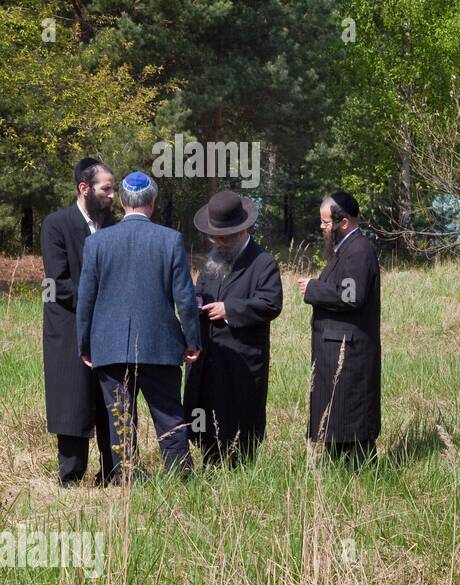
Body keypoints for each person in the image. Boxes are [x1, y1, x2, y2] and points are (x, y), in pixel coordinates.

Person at [77, 171, 201, 476]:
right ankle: (180, 477)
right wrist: (192, 340)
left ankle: (126, 477)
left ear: (120, 202)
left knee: (120, 418)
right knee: (169, 415)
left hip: (110, 345)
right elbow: (185, 299)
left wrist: (85, 345)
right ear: (153, 202)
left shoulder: (97, 243)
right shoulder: (170, 240)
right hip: (160, 345)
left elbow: (86, 300)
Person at [182, 191, 283, 467]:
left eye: (224, 238)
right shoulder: (214, 259)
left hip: (241, 360)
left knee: (240, 421)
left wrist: (229, 310)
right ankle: (210, 463)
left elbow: (271, 303)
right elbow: (200, 289)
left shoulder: (263, 262)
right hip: (209, 357)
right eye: (215, 237)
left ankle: (241, 473)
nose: (218, 243)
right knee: (204, 417)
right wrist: (197, 301)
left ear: (242, 231)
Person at [42, 158, 119, 486]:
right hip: (69, 327)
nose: (112, 196)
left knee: (112, 400)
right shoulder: (56, 225)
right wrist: (101, 304)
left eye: (113, 189)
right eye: (106, 189)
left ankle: (116, 474)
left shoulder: (115, 226)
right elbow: (58, 283)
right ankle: (71, 478)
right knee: (72, 400)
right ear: (84, 188)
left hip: (109, 327)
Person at [298, 191, 381, 464]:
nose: (322, 228)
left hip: (351, 354)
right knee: (338, 424)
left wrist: (313, 289)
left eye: (325, 222)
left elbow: (351, 295)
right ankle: (342, 475)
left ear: (342, 222)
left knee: (353, 426)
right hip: (338, 351)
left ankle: (363, 480)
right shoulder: (344, 249)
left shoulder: (359, 250)